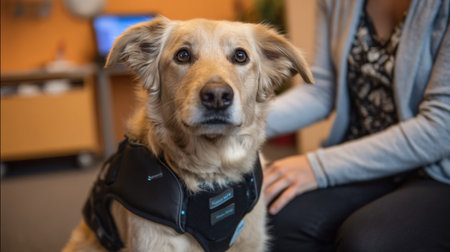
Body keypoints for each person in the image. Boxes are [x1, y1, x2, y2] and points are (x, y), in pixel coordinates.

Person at [263, 0, 450, 251]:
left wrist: (318, 166)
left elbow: (440, 128)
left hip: (435, 172)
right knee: (280, 219)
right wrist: (238, 121)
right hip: (360, 157)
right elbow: (320, 93)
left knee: (367, 241)